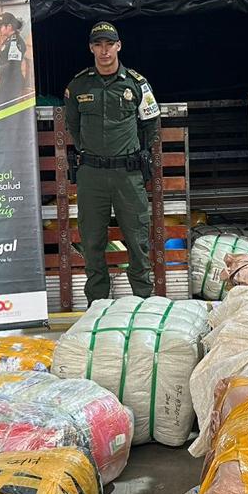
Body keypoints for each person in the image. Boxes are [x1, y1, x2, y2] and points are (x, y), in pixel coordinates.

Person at [64, 21, 160, 305]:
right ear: (91, 48)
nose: (104, 51)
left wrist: (139, 153)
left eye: (109, 44)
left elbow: (150, 123)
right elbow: (74, 125)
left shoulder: (136, 83)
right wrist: (90, 152)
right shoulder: (78, 85)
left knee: (137, 239)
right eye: (98, 45)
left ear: (119, 46)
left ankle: (143, 300)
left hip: (127, 174)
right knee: (92, 240)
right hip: (92, 174)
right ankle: (97, 303)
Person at [0, 12, 28, 108]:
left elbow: (13, 65)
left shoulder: (16, 42)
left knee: (6, 111)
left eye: (0, 27)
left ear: (9, 26)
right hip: (5, 81)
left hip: (12, 84)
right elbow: (2, 58)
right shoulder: (8, 40)